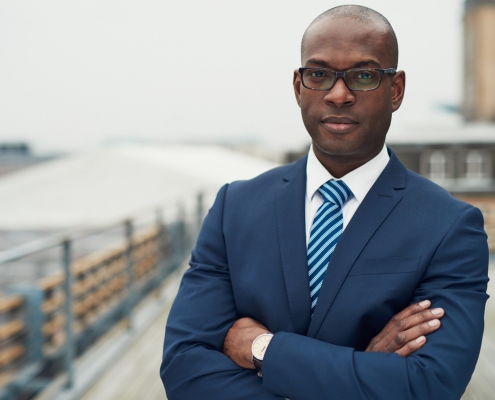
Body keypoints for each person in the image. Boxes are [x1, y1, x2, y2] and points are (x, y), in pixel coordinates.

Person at [160, 5, 489, 399]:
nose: (339, 94)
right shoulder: (236, 208)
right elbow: (183, 366)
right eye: (319, 75)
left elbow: (428, 385)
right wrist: (361, 367)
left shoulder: (450, 226)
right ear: (299, 87)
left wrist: (264, 349)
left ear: (395, 90)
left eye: (364, 76)